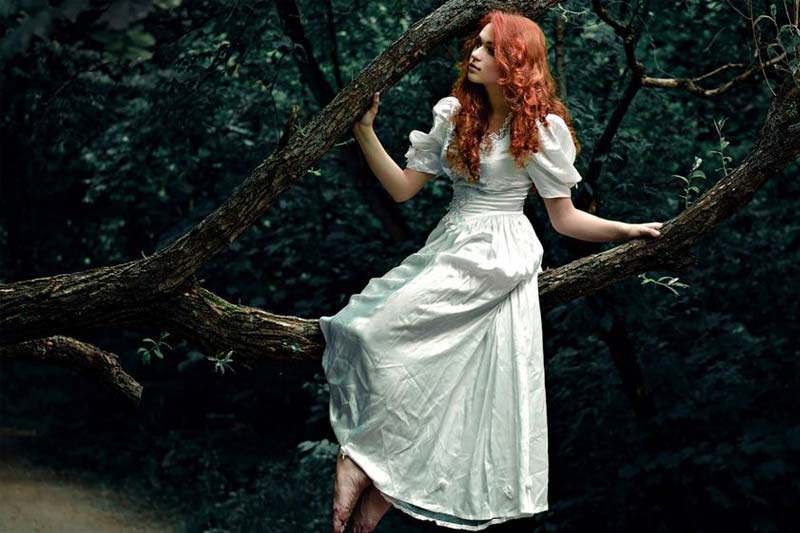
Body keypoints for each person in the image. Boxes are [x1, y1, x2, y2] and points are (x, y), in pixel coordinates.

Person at [319, 9, 663, 533]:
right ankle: (371, 464)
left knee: (451, 370)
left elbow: (565, 218)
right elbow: (402, 189)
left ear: (514, 62)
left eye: (488, 47)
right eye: (476, 45)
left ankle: (369, 471)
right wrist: (364, 130)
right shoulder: (456, 114)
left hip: (499, 253)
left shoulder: (542, 129)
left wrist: (626, 230)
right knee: (368, 331)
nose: (474, 54)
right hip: (451, 244)